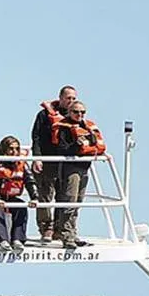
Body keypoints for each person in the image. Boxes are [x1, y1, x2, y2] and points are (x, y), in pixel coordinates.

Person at [49, 100, 106, 248]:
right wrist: (76, 145)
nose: (80, 115)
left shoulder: (87, 127)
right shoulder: (64, 128)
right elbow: (61, 149)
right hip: (70, 169)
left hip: (84, 168)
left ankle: (73, 234)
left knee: (78, 202)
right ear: (69, 112)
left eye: (82, 112)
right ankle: (66, 236)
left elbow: (96, 146)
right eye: (76, 112)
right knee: (69, 201)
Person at [30, 85, 79, 242]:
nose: (71, 101)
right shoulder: (44, 115)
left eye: (73, 98)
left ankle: (61, 229)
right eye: (68, 98)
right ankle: (46, 229)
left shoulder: (76, 116)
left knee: (65, 198)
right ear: (60, 98)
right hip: (47, 161)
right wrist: (37, 158)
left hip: (66, 164)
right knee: (44, 196)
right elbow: (36, 137)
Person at [0, 136, 31, 253]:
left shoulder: (21, 163)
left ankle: (17, 239)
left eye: (17, 149)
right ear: (4, 149)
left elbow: (29, 180)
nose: (14, 152)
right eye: (11, 149)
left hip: (10, 196)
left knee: (21, 207)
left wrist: (35, 198)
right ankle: (2, 241)